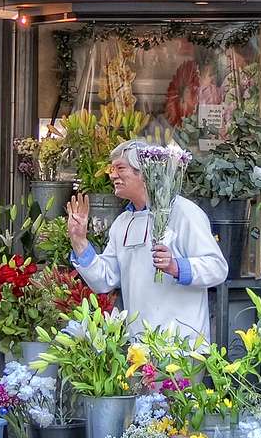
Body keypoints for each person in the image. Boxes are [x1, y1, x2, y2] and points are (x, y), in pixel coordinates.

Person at [67, 139, 229, 339]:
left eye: (120, 168)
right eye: (112, 169)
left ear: (144, 172)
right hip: (139, 346)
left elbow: (217, 268)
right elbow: (104, 280)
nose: (113, 175)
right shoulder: (122, 223)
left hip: (181, 347)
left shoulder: (184, 212)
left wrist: (176, 267)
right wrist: (79, 241)